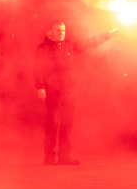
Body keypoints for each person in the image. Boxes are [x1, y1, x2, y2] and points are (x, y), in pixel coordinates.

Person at [34, 21, 118, 165]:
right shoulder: (43, 48)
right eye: (58, 30)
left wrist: (108, 35)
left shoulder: (69, 45)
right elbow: (37, 68)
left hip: (69, 91)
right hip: (52, 90)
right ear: (50, 32)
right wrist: (40, 87)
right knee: (52, 124)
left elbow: (88, 42)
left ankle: (64, 156)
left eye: (63, 30)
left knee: (67, 124)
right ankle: (49, 157)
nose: (61, 33)